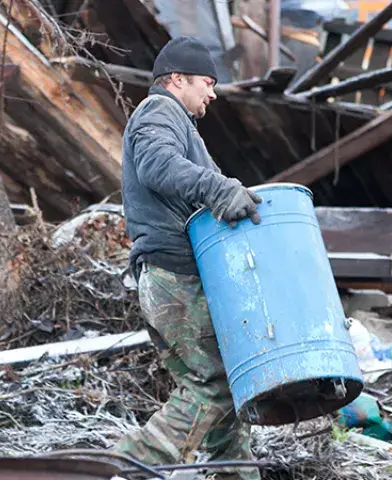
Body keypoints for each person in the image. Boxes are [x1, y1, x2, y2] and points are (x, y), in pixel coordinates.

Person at [113, 36, 263, 480]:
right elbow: (156, 165)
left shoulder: (177, 121)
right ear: (177, 79)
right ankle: (128, 464)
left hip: (175, 275)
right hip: (173, 275)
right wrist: (220, 189)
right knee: (214, 385)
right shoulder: (160, 112)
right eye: (207, 82)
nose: (213, 93)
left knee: (223, 386)